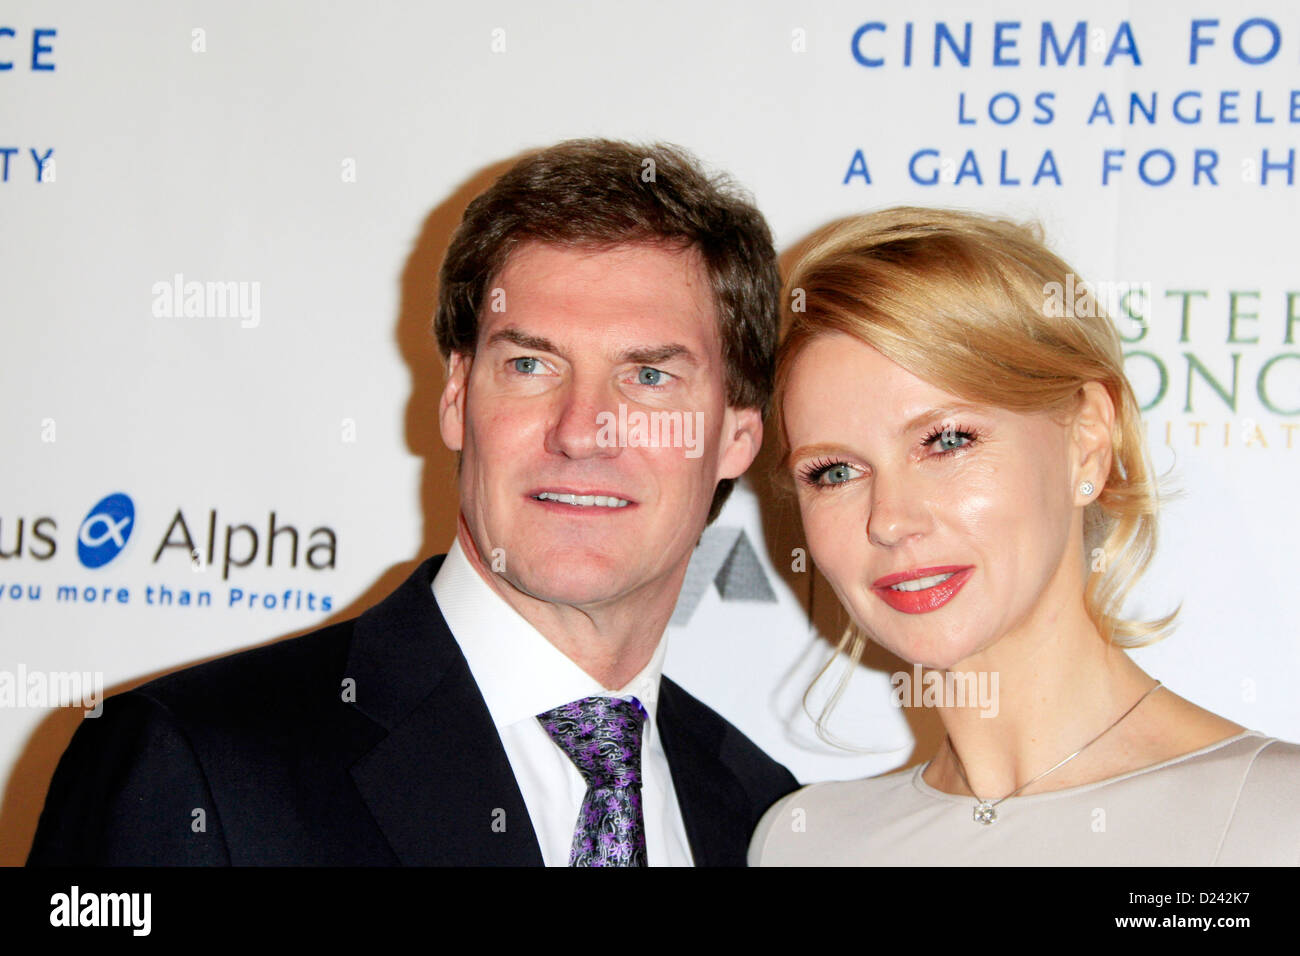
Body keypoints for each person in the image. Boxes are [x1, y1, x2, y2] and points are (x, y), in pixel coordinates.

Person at [28, 139, 798, 867]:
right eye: (530, 364)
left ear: (736, 435)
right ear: (457, 398)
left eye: (650, 377)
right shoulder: (195, 764)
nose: (581, 432)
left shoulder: (768, 823)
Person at [749, 207, 1300, 866]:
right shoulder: (802, 841)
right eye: (833, 471)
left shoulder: (1272, 819)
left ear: (1088, 442)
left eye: (946, 440)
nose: (890, 519)